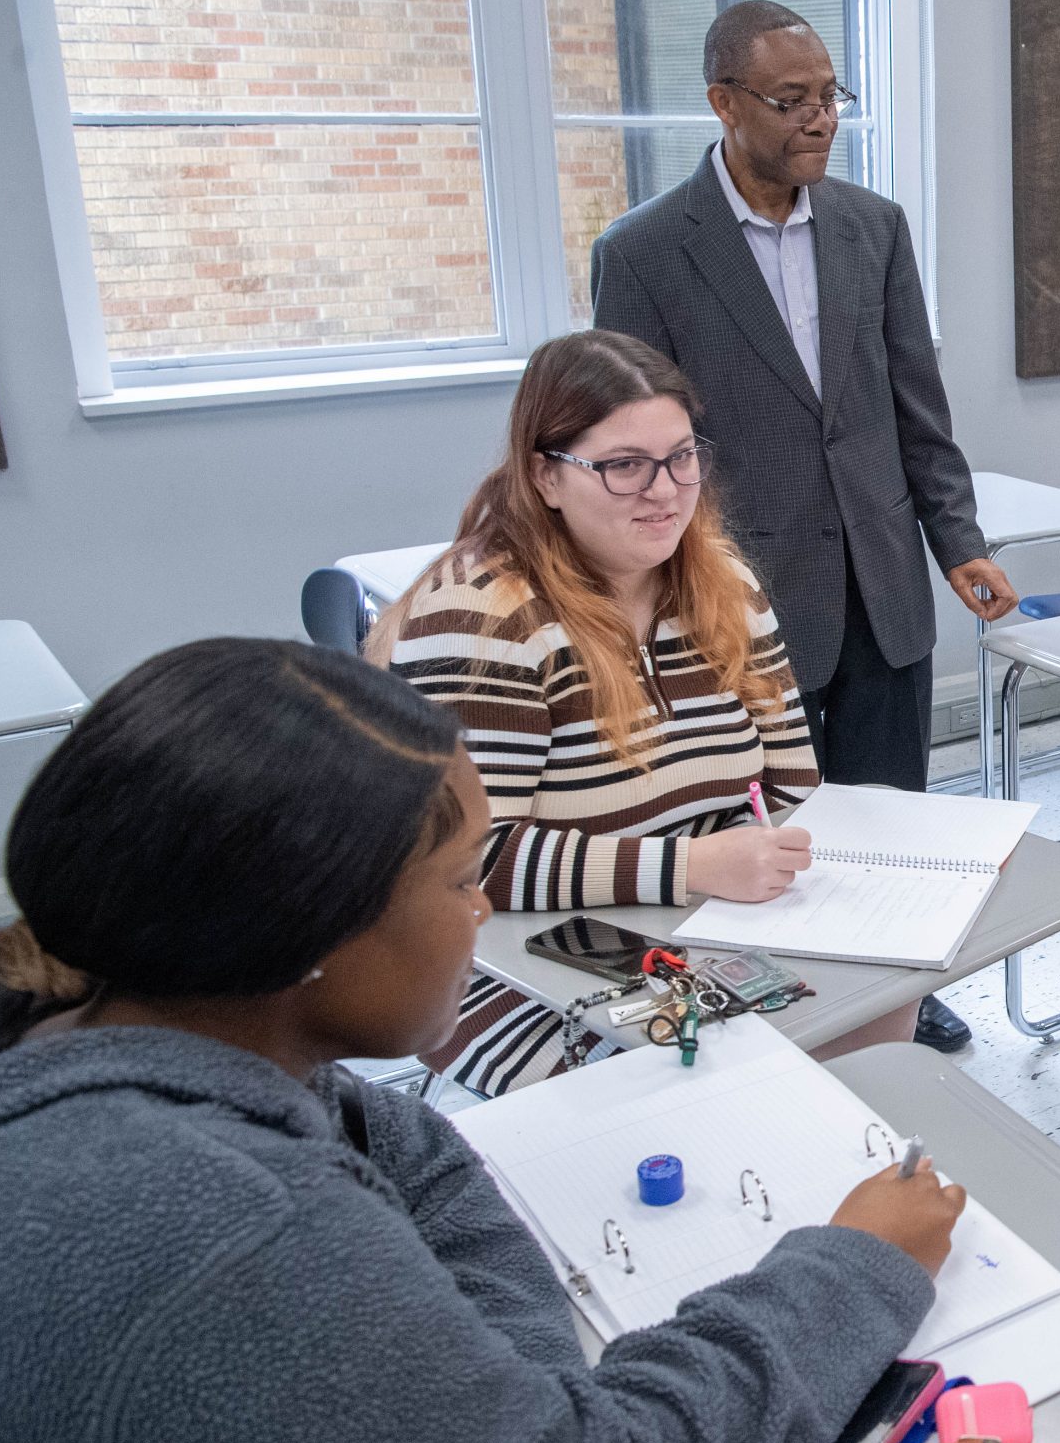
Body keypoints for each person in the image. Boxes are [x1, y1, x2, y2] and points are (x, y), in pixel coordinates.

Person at [0, 637, 966, 1443]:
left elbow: (396, 1142)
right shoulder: (231, 1224)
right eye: (465, 879)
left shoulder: (70, 1016)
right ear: (309, 930)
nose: (481, 915)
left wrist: (514, 1400)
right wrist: (850, 1270)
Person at [592, 0, 1012, 1050]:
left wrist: (955, 539)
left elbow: (914, 398)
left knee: (892, 815)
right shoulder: (644, 252)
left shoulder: (874, 228)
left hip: (879, 576)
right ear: (722, 104)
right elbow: (638, 445)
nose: (820, 119)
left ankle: (901, 991)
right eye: (792, 101)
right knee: (765, 822)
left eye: (831, 96)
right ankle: (784, 1004)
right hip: (739, 591)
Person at [372, 330, 933, 1093]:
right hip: (519, 963)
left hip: (698, 925)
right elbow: (469, 863)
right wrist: (692, 867)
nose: (665, 490)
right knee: (724, 1085)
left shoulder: (723, 583)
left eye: (681, 456)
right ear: (545, 476)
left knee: (878, 1006)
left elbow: (796, 787)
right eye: (623, 465)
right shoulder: (486, 617)